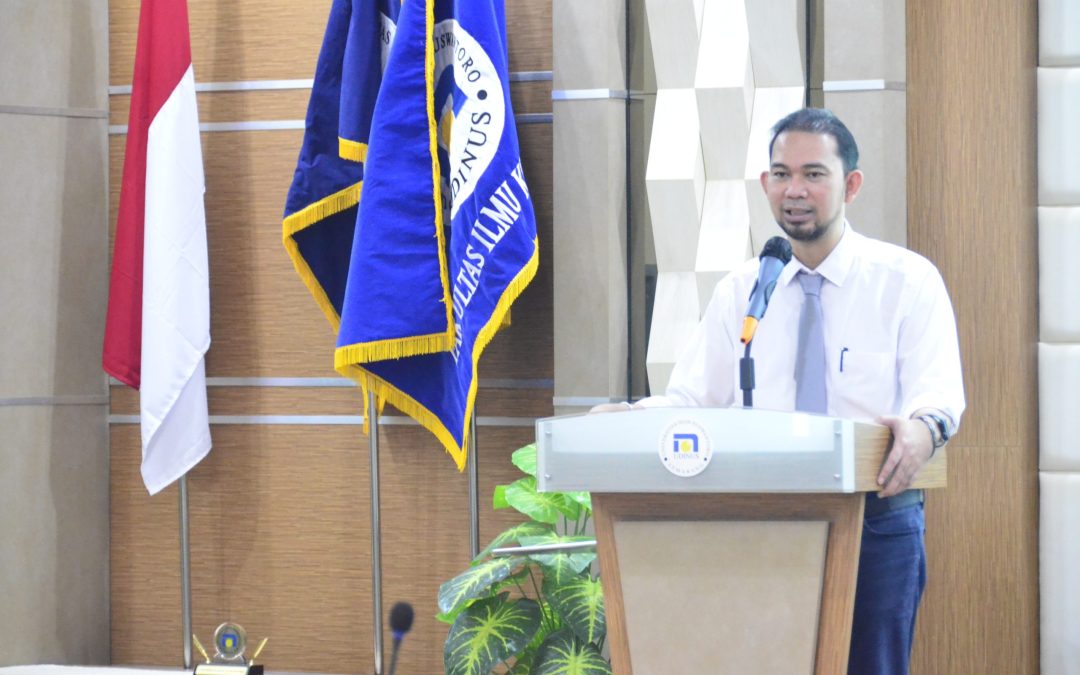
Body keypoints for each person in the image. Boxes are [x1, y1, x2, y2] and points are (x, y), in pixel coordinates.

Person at [595, 108, 965, 674]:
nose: (795, 190)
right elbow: (693, 401)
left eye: (814, 174)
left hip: (875, 518)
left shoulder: (906, 281)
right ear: (766, 184)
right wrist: (633, 417)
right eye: (782, 174)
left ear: (851, 185)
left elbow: (937, 397)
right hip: (762, 516)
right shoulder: (744, 291)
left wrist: (922, 431)